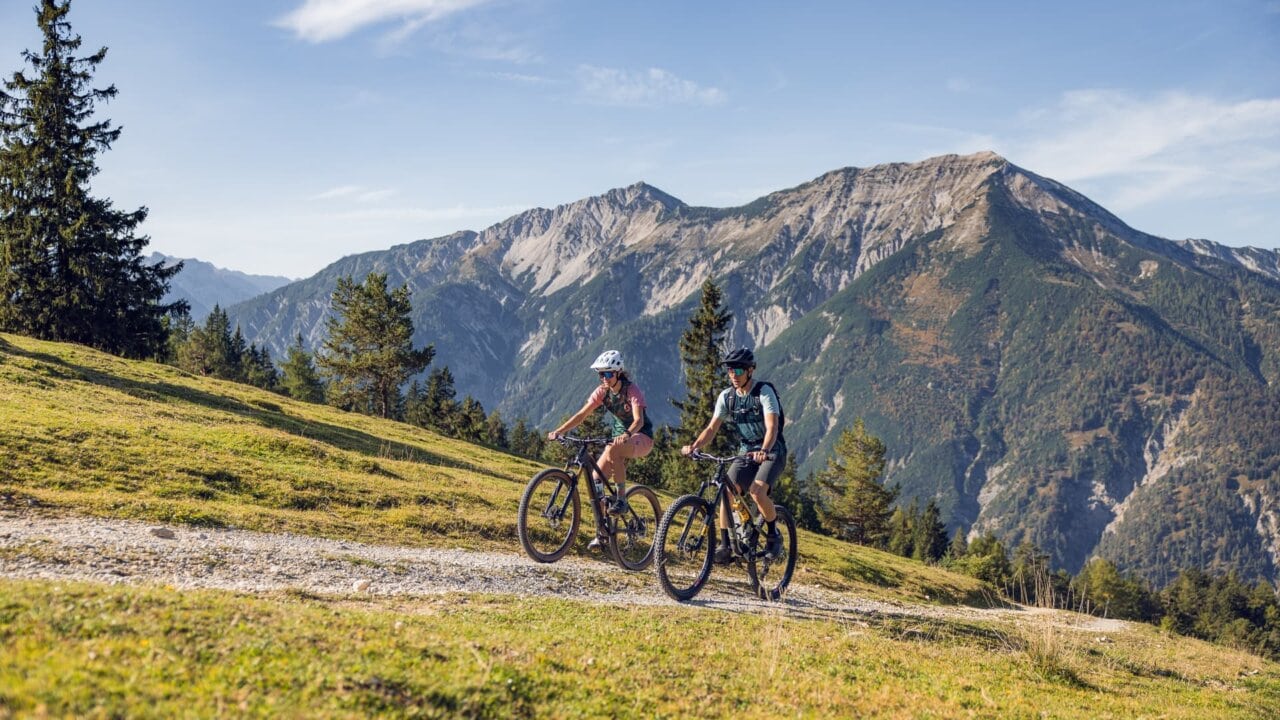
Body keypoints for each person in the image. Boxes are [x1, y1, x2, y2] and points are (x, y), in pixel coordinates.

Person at [681, 347, 786, 562]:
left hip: (772, 451)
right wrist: (695, 446)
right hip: (746, 451)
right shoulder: (727, 397)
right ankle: (726, 545)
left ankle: (774, 535)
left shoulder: (763, 392)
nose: (733, 376)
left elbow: (772, 427)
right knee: (726, 493)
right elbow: (711, 429)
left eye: (738, 371)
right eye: (730, 371)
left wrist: (764, 450)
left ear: (750, 371)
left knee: (757, 492)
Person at [548, 350, 654, 547]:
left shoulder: (632, 391)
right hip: (618, 440)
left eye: (607, 374)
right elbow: (582, 414)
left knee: (614, 449)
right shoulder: (602, 392)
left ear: (618, 373)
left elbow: (639, 420)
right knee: (596, 481)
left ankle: (621, 499)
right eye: (600, 374)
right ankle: (603, 533)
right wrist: (558, 431)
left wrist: (627, 434)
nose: (603, 378)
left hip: (641, 438)